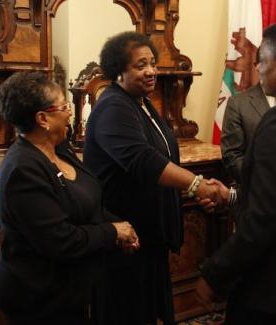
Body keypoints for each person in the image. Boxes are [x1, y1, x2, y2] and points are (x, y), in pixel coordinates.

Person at [83, 31, 222, 325]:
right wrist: (196, 184)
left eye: (152, 63)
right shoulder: (113, 106)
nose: (150, 71)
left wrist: (191, 192)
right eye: (140, 65)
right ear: (117, 71)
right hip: (127, 238)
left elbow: (164, 160)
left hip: (149, 236)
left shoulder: (141, 103)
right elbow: (142, 160)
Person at [0, 71, 139, 325]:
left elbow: (88, 201)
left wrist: (123, 228)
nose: (70, 112)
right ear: (43, 119)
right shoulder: (22, 170)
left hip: (74, 288)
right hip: (39, 296)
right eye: (64, 106)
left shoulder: (59, 147)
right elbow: (60, 241)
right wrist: (112, 232)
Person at [196, 22, 276, 325]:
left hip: (272, 291)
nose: (258, 68)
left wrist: (215, 273)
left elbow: (264, 218)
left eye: (262, 60)